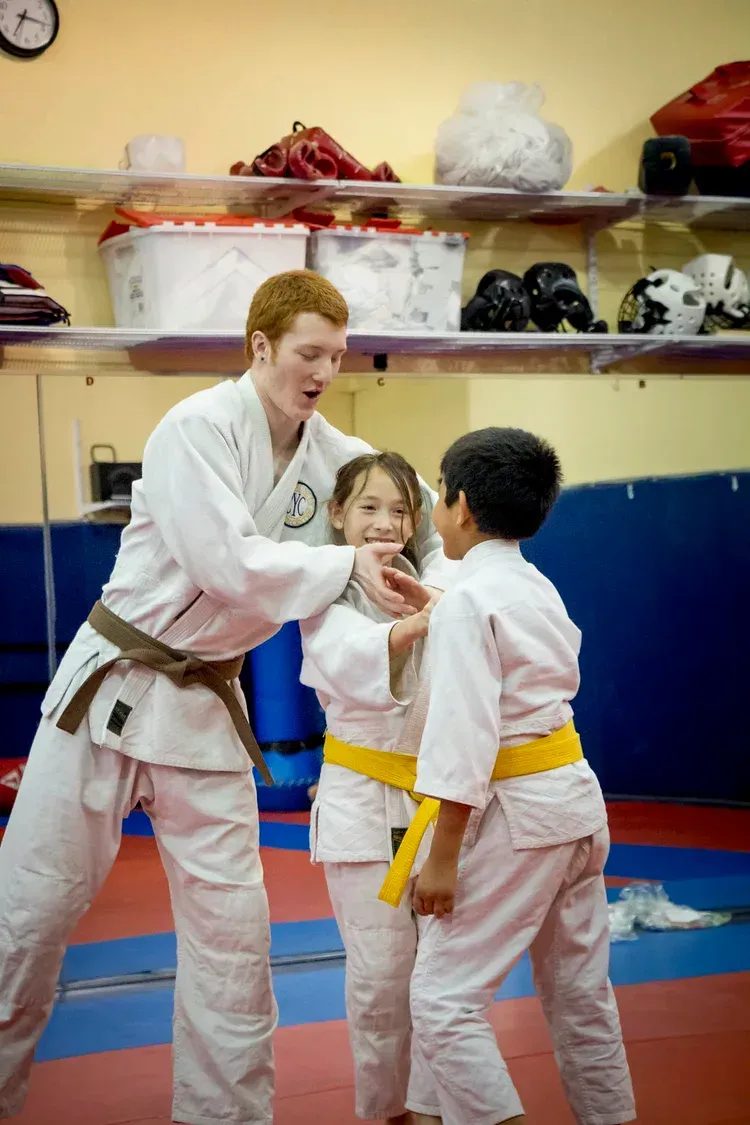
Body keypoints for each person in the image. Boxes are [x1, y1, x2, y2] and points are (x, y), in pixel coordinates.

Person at [0, 270, 450, 1125]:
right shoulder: (194, 429)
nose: (323, 370)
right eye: (308, 353)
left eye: (337, 356)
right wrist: (347, 564)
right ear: (261, 347)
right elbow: (226, 564)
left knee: (234, 949)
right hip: (113, 688)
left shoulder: (336, 458)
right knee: (25, 918)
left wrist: (464, 572)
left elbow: (417, 516)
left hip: (207, 707)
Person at [405, 427, 636, 1125]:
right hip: (573, 799)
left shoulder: (470, 602)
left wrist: (443, 854)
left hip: (521, 812)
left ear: (461, 505)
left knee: (443, 1000)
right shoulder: (535, 586)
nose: (434, 512)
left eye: (438, 496)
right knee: (581, 995)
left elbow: (463, 734)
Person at [299, 451, 446, 1125]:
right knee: (383, 979)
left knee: (446, 980)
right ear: (335, 514)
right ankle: (388, 1111)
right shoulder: (321, 592)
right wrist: (420, 624)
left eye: (399, 509)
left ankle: (440, 1107)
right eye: (367, 507)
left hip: (438, 804)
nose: (386, 522)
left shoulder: (441, 577)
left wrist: (442, 609)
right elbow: (345, 654)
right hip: (362, 800)